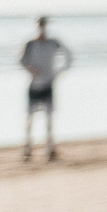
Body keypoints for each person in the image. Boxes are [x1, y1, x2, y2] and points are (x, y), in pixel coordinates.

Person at [20, 17, 72, 163]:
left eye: (43, 25)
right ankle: (28, 148)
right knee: (30, 118)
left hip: (48, 84)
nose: (42, 28)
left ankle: (49, 149)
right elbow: (21, 60)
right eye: (40, 25)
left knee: (49, 119)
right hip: (34, 85)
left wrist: (59, 71)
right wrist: (30, 69)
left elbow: (69, 55)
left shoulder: (53, 43)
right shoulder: (30, 44)